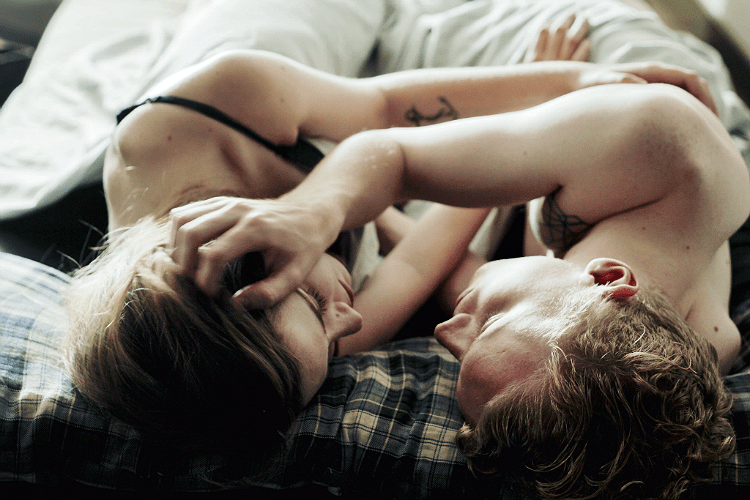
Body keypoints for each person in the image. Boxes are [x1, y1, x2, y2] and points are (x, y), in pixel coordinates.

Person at [63, 15, 635, 462]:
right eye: (332, 336)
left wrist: (567, 80)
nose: (352, 319)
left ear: (242, 252)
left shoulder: (189, 122)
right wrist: (535, 121)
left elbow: (382, 107)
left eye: (317, 305)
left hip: (249, 102)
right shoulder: (288, 353)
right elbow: (418, 262)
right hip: (361, 171)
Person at [168, 72, 749, 499]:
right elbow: (391, 153)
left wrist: (399, 219)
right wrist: (312, 209)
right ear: (607, 279)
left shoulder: (635, 349)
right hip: (605, 83)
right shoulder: (655, 138)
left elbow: (438, 268)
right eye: (487, 324)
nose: (446, 329)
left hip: (532, 172)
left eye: (460, 351)